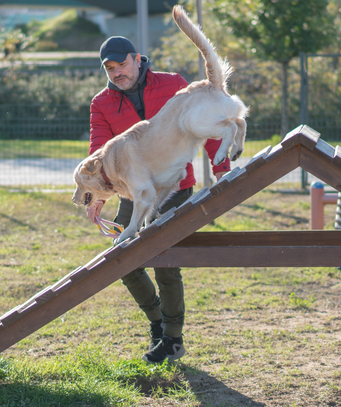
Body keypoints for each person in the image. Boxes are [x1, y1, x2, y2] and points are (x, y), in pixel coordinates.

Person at [86, 36, 231, 363]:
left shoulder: (173, 85)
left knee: (165, 261)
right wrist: (97, 194)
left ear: (137, 59)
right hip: (133, 191)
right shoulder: (101, 103)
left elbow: (205, 123)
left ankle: (173, 339)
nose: (116, 72)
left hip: (175, 188)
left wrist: (221, 168)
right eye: (109, 68)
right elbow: (98, 153)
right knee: (122, 259)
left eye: (121, 64)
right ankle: (158, 322)